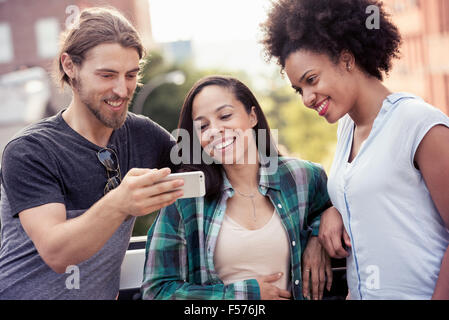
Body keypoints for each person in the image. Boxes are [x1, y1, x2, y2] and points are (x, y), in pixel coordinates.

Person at [261, 0, 449, 300]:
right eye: (299, 89)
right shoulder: (348, 129)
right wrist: (334, 209)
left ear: (347, 59)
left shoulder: (417, 123)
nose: (307, 98)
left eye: (311, 80)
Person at [0, 7, 183, 299]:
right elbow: (57, 253)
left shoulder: (143, 135)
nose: (122, 90)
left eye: (131, 75)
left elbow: (210, 172)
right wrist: (121, 202)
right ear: (70, 66)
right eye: (107, 75)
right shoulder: (29, 151)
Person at [141, 75, 334, 300]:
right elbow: (156, 292)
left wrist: (318, 236)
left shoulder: (302, 176)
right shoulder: (185, 197)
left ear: (252, 116)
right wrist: (244, 296)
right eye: (203, 126)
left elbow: (333, 207)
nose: (214, 130)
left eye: (225, 116)